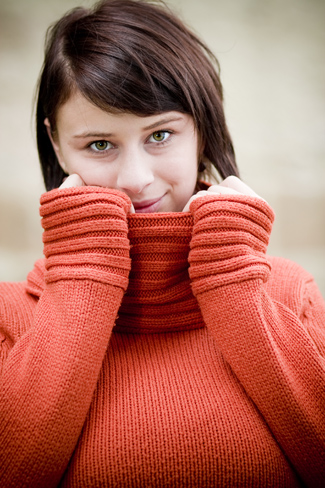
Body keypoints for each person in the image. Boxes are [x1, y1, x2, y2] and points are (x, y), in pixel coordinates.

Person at [0, 0, 324, 486]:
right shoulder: (11, 318)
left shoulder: (289, 295)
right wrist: (82, 277)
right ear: (57, 143)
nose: (135, 179)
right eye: (100, 144)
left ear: (201, 129)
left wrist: (233, 284)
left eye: (161, 135)